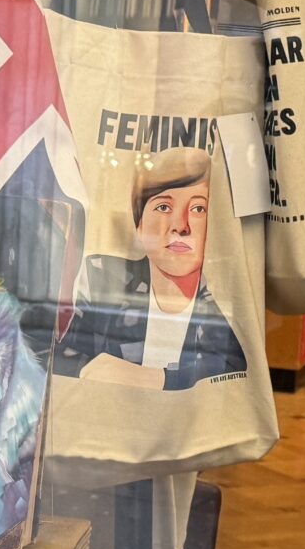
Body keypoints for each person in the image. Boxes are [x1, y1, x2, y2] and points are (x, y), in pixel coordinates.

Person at [51, 145, 249, 389]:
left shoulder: (221, 294)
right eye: (163, 207)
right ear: (140, 224)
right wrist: (87, 369)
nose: (181, 226)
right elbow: (56, 355)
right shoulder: (100, 275)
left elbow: (235, 368)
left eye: (198, 209)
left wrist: (160, 379)